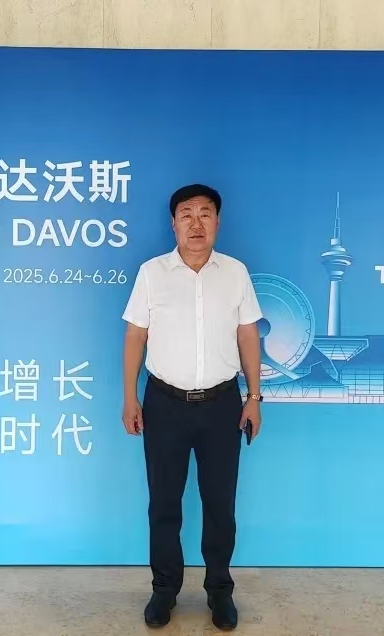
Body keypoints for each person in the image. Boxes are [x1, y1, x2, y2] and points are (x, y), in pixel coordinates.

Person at [121, 183, 264, 630]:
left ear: (217, 221)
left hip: (222, 404)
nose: (196, 223)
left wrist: (254, 398)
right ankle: (164, 591)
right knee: (164, 504)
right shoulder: (152, 273)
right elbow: (136, 335)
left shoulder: (235, 273)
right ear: (173, 223)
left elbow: (247, 334)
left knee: (220, 504)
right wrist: (130, 397)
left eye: (205, 213)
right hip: (164, 403)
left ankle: (219, 591)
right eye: (187, 214)